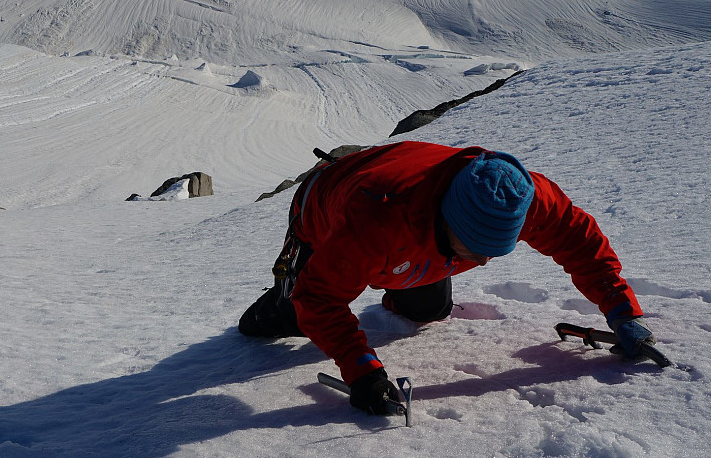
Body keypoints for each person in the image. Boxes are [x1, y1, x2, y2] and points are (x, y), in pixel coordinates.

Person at [239, 141, 654, 415]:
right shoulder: (377, 220)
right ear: (446, 220)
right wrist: (362, 371)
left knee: (428, 310)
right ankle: (276, 301)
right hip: (324, 208)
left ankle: (392, 281)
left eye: (494, 252)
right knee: (300, 310)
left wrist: (621, 310)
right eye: (473, 250)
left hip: (406, 243)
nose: (485, 263)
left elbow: (580, 241)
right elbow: (320, 298)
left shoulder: (518, 195)